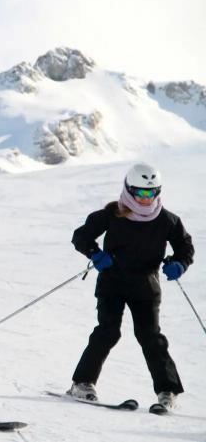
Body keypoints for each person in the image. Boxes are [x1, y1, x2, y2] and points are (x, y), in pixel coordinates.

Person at [68, 163, 194, 412]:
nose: (146, 199)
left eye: (151, 193)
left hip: (145, 286)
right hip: (112, 282)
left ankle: (167, 391)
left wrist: (179, 264)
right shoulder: (112, 214)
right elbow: (81, 236)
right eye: (140, 193)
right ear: (128, 189)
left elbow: (185, 247)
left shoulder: (167, 220)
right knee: (108, 331)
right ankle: (82, 383)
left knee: (150, 337)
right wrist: (95, 254)